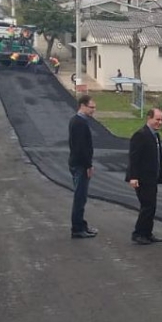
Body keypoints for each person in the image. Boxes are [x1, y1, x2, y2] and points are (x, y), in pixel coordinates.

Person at [125, 108, 162, 245]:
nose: (160, 122)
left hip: (152, 178)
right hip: (141, 178)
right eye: (157, 119)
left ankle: (147, 233)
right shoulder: (140, 135)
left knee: (151, 206)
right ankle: (138, 233)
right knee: (147, 206)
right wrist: (133, 177)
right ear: (149, 118)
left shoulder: (155, 135)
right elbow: (134, 157)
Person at [68, 95, 98, 239]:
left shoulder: (78, 121)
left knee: (82, 197)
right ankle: (77, 228)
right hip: (80, 165)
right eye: (91, 107)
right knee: (80, 197)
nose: (94, 110)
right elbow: (81, 148)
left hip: (78, 163)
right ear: (82, 106)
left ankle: (81, 224)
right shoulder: (79, 123)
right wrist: (88, 165)